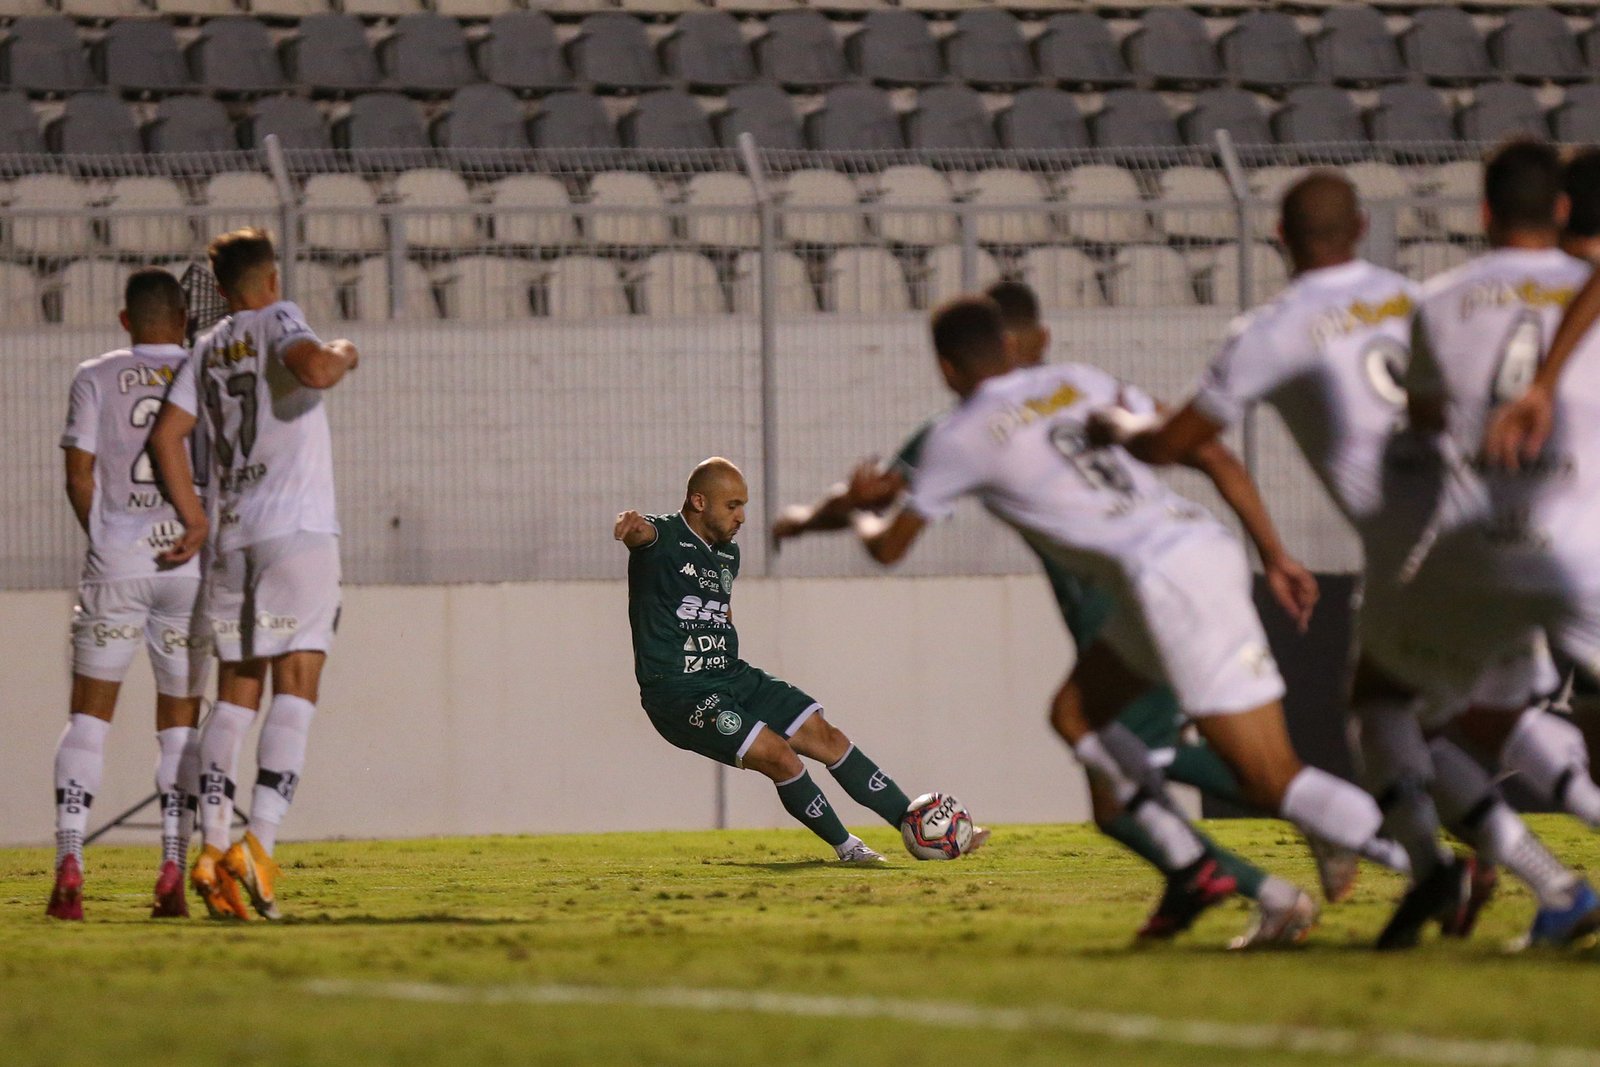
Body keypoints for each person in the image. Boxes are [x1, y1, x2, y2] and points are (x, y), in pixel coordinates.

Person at [1101, 165, 1597, 949]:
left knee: (1391, 710)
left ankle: (1481, 870)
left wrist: (1124, 425)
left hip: (1424, 553)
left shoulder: (1274, 327)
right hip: (1517, 513)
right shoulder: (1414, 293)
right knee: (1488, 716)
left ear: (1277, 239)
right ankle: (1522, 878)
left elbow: (1176, 442)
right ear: (1364, 227)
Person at [776, 281, 1324, 947]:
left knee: (1141, 763)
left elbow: (879, 513)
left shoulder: (986, 424)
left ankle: (1322, 837)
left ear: (952, 365)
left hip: (1135, 611)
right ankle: (1221, 873)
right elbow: (884, 489)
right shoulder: (1065, 396)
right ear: (1012, 345)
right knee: (1118, 798)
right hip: (1134, 603)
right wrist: (806, 518)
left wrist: (811, 519)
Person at [616, 458, 984, 865]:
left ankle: (920, 826)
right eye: (733, 505)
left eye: (744, 505)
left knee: (826, 736)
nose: (742, 516)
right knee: (780, 756)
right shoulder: (662, 535)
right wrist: (632, 529)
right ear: (699, 501)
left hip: (729, 675)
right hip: (678, 692)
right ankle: (849, 849)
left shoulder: (727, 556)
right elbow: (642, 535)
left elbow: (720, 610)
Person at [148, 228, 360, 921]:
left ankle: (211, 848)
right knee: (298, 678)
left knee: (236, 692)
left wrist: (193, 518)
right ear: (269, 279)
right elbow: (318, 370)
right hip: (295, 533)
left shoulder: (206, 348)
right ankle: (259, 846)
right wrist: (344, 349)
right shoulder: (279, 317)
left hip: (232, 538)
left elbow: (166, 435)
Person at [48, 267, 209, 921]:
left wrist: (106, 537)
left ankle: (69, 860)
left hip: (117, 564)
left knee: (89, 719)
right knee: (179, 728)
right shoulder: (206, 374)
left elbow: (78, 475)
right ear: (183, 317)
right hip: (187, 567)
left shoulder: (95, 374)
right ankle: (172, 864)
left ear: (126, 320)